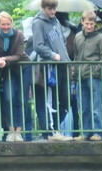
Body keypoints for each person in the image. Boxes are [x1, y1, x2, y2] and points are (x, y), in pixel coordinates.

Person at [31, 0, 72, 141]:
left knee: (65, 100)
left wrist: (66, 60)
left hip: (62, 65)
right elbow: (38, 45)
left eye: (54, 9)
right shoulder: (38, 23)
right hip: (48, 67)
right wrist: (52, 55)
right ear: (43, 8)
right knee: (50, 101)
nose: (52, 12)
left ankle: (55, 129)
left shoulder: (56, 21)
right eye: (49, 9)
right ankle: (50, 132)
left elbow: (62, 43)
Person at [0, 12, 26, 142]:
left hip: (22, 67)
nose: (6, 27)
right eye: (3, 24)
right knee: (8, 98)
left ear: (12, 24)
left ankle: (18, 131)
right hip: (6, 70)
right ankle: (10, 130)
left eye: (8, 24)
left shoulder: (19, 35)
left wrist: (4, 59)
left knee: (21, 99)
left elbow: (19, 55)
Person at [72, 11, 102, 141]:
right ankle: (86, 132)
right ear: (82, 22)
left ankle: (98, 132)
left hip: (96, 76)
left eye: (91, 24)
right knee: (84, 107)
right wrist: (74, 73)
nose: (89, 26)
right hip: (80, 76)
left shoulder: (101, 38)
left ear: (95, 23)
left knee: (97, 106)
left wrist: (96, 70)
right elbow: (76, 56)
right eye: (87, 23)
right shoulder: (77, 37)